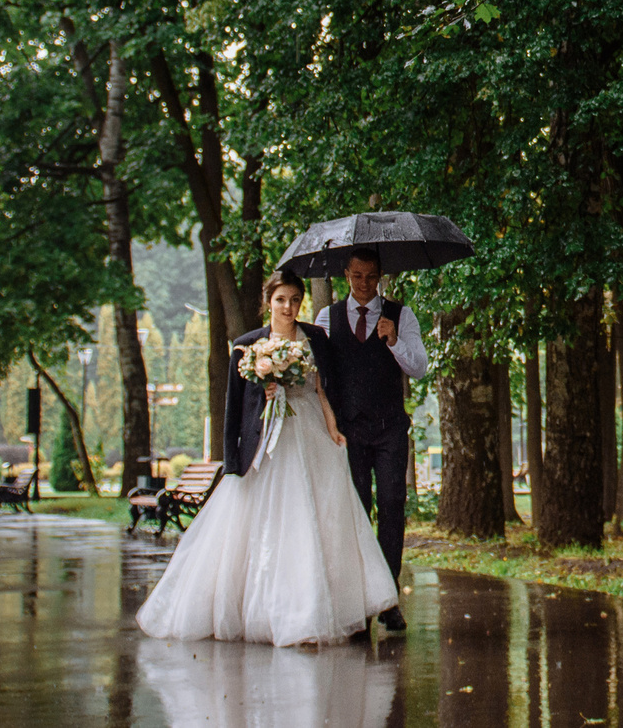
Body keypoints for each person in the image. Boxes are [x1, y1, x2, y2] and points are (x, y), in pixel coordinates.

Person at [135, 271, 398, 646]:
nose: (288, 307)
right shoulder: (247, 345)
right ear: (267, 302)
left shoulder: (317, 339)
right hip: (267, 442)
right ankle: (262, 608)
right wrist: (233, 455)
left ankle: (314, 610)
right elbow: (234, 407)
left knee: (316, 517)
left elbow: (323, 389)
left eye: (294, 299)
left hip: (309, 434)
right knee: (268, 521)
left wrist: (334, 427)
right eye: (281, 300)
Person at [317, 247, 428, 633]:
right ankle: (359, 598)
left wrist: (394, 341)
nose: (364, 285)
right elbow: (319, 377)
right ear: (346, 274)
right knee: (358, 509)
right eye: (357, 276)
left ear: (381, 276)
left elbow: (419, 368)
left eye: (371, 277)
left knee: (392, 504)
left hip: (390, 428)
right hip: (350, 431)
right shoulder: (326, 318)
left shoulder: (401, 315)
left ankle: (388, 597)